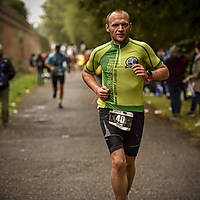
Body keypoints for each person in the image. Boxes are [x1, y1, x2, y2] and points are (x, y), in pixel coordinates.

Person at [82, 10, 169, 200]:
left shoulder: (142, 48)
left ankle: (123, 196)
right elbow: (86, 73)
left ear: (130, 26)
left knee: (129, 163)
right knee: (118, 162)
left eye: (124, 24)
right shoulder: (99, 51)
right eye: (115, 25)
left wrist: (148, 74)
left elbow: (165, 71)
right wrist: (97, 89)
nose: (120, 28)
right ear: (108, 28)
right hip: (108, 110)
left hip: (135, 112)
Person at [165, 45, 188, 118]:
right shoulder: (182, 60)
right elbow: (184, 68)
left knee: (173, 98)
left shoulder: (168, 61)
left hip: (171, 81)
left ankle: (174, 113)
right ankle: (177, 112)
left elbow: (166, 70)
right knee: (177, 98)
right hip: (179, 81)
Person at [45, 44, 70, 109]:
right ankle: (55, 91)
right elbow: (46, 63)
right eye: (56, 48)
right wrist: (51, 67)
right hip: (54, 72)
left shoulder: (63, 55)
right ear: (55, 49)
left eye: (58, 48)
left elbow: (67, 61)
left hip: (61, 72)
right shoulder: (51, 56)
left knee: (61, 87)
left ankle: (60, 102)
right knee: (55, 86)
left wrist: (68, 68)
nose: (57, 50)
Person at [0, 43, 16, 127]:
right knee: (5, 103)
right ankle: (5, 121)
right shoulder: (6, 61)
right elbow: (13, 72)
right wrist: (6, 79)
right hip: (4, 85)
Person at [184, 40, 200, 117]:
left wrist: (190, 77)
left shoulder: (198, 58)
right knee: (195, 97)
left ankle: (193, 112)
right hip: (196, 82)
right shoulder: (197, 57)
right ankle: (192, 111)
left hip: (198, 82)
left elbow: (197, 73)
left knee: (198, 99)